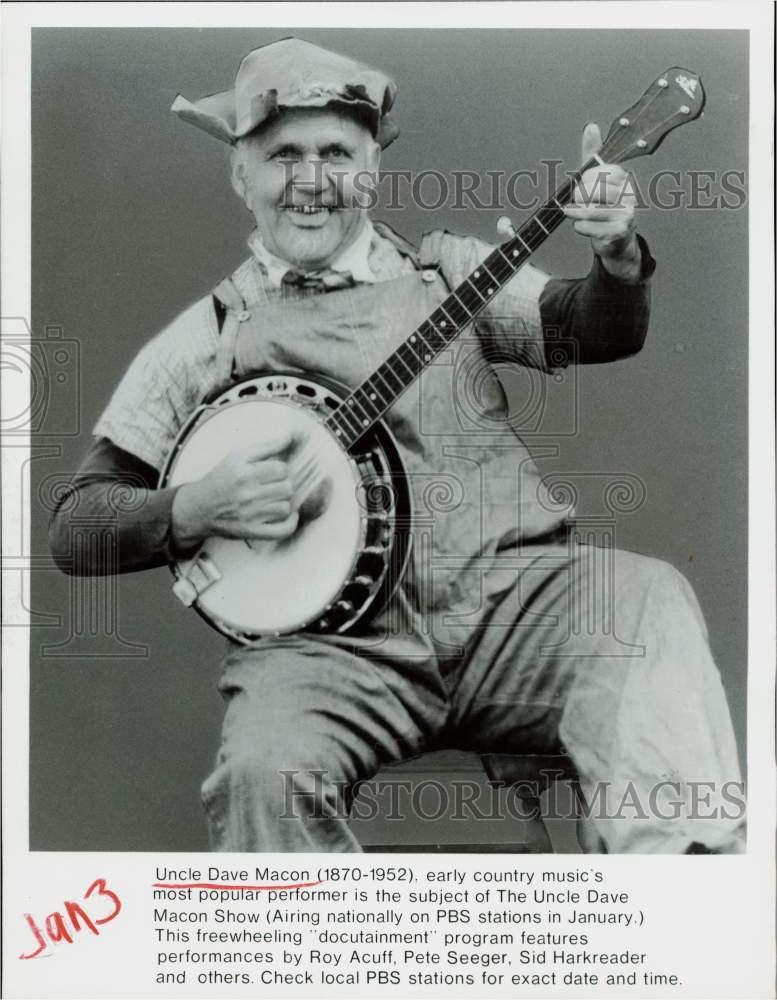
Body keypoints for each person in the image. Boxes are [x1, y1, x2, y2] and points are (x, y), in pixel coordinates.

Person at [49, 37, 745, 854]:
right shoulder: (203, 339)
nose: (311, 182)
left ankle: (684, 923)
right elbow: (76, 527)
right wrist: (195, 505)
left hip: (512, 615)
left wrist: (615, 252)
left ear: (371, 169)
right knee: (261, 777)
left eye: (336, 153)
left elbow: (589, 329)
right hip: (328, 658)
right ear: (242, 174)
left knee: (644, 601)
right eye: (282, 156)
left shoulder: (449, 273)